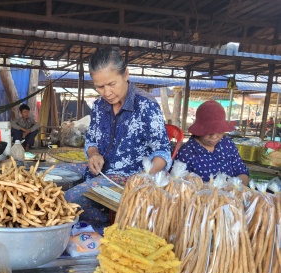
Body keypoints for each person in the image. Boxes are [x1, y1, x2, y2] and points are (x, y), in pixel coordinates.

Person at [63, 47, 172, 228]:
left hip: (129, 177)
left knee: (70, 199)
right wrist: (94, 155)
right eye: (99, 87)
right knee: (52, 177)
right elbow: (91, 141)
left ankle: (113, 225)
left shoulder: (146, 105)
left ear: (126, 74)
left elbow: (162, 151)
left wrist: (144, 177)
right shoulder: (99, 106)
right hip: (101, 171)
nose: (106, 92)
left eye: (111, 84)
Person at [175, 100, 249, 186]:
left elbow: (242, 172)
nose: (214, 136)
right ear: (199, 129)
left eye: (219, 131)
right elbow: (181, 185)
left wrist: (237, 190)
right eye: (208, 131)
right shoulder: (186, 153)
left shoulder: (228, 144)